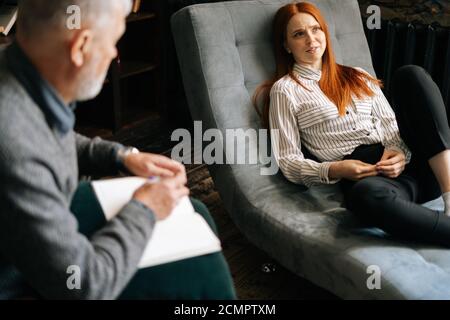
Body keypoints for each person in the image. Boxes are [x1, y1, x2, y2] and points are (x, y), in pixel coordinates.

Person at [0, 0, 236, 299]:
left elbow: (48, 137)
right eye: (113, 41)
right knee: (203, 276)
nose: (115, 55)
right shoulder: (14, 149)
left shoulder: (13, 65)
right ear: (80, 46)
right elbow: (84, 286)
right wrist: (145, 210)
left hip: (33, 229)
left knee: (193, 209)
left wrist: (121, 157)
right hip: (23, 281)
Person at [253, 2, 450, 246]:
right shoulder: (285, 91)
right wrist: (336, 169)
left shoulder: (357, 75)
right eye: (298, 34)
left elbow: (389, 122)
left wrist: (398, 150)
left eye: (316, 29)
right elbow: (288, 162)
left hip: (423, 166)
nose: (311, 39)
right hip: (374, 181)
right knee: (364, 199)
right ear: (286, 45)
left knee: (411, 75)